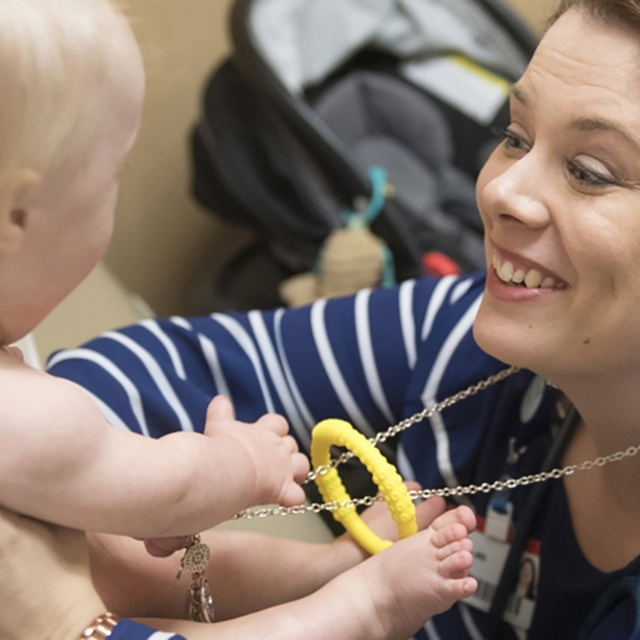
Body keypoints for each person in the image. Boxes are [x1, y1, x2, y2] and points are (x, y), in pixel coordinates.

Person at [41, 0, 640, 637]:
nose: (500, 190)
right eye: (515, 136)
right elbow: (143, 369)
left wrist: (53, 612)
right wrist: (165, 480)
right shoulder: (472, 339)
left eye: (588, 171)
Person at [0, 0, 478, 638]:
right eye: (115, 174)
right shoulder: (26, 418)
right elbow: (169, 491)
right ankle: (365, 609)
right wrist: (240, 464)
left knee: (110, 554)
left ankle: (333, 566)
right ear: (19, 216)